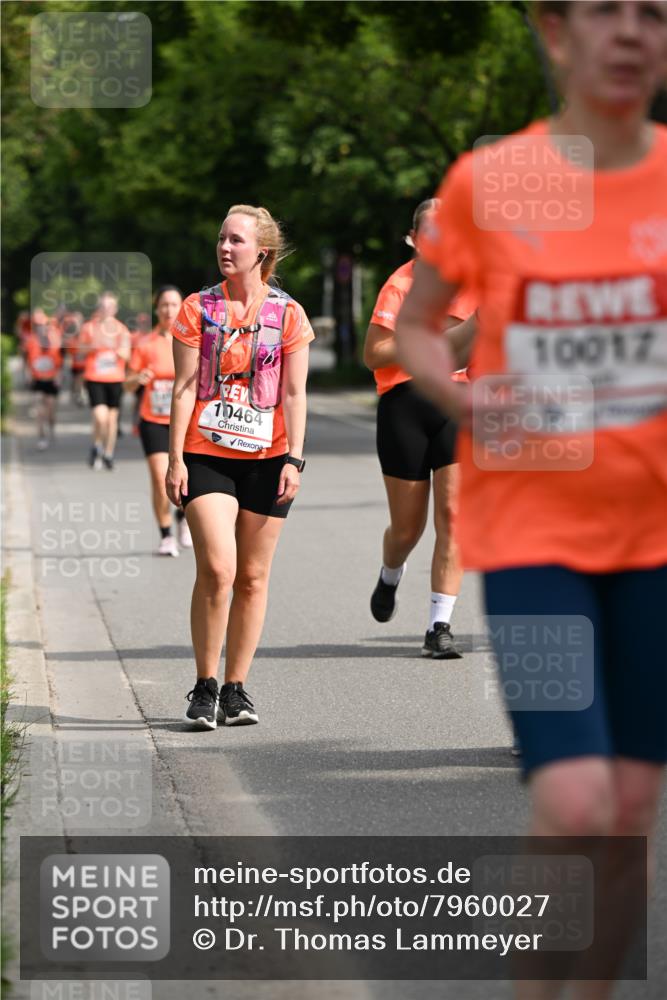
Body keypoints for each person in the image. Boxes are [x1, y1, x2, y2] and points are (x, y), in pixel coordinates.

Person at [396, 2, 667, 996]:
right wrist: (461, 398)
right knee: (575, 792)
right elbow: (418, 329)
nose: (634, 31)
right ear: (556, 33)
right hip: (534, 538)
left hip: (656, 543)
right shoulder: (496, 180)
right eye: (609, 11)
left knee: (629, 804)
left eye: (655, 13)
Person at [166, 205, 314, 730]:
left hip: (270, 458)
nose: (225, 248)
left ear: (263, 253)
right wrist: (175, 458)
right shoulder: (197, 309)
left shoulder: (289, 315)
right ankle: (204, 686)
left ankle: (236, 689)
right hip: (206, 453)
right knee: (220, 569)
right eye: (222, 239)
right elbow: (183, 389)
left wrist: (295, 457)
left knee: (252, 577)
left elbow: (295, 394)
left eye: (237, 241)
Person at [363, 199, 476, 659]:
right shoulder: (400, 284)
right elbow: (375, 354)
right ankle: (391, 571)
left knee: (453, 516)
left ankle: (439, 625)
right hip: (404, 407)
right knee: (407, 528)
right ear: (414, 238)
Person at [125, 285, 192, 556]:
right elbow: (126, 384)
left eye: (174, 304)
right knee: (159, 477)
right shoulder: (146, 344)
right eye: (164, 305)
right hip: (153, 419)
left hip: (186, 421)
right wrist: (137, 379)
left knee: (190, 477)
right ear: (157, 309)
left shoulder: (191, 341)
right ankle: (165, 535)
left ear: (182, 308)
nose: (168, 310)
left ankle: (184, 518)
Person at [78, 291, 131, 470]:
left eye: (110, 306)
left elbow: (127, 355)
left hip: (115, 378)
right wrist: (94, 346)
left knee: (111, 420)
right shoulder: (89, 328)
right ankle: (96, 445)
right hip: (95, 377)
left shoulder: (122, 329)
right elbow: (80, 349)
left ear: (115, 309)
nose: (106, 309)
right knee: (100, 417)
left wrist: (114, 348)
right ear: (98, 308)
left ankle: (108, 453)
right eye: (103, 306)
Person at [24, 309, 62, 449]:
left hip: (51, 379)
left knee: (51, 410)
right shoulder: (31, 341)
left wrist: (59, 376)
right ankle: (41, 436)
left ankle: (51, 429)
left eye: (43, 325)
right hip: (37, 379)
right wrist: (28, 375)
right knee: (40, 411)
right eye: (37, 325)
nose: (40, 328)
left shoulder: (54, 339)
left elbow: (59, 362)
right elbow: (27, 360)